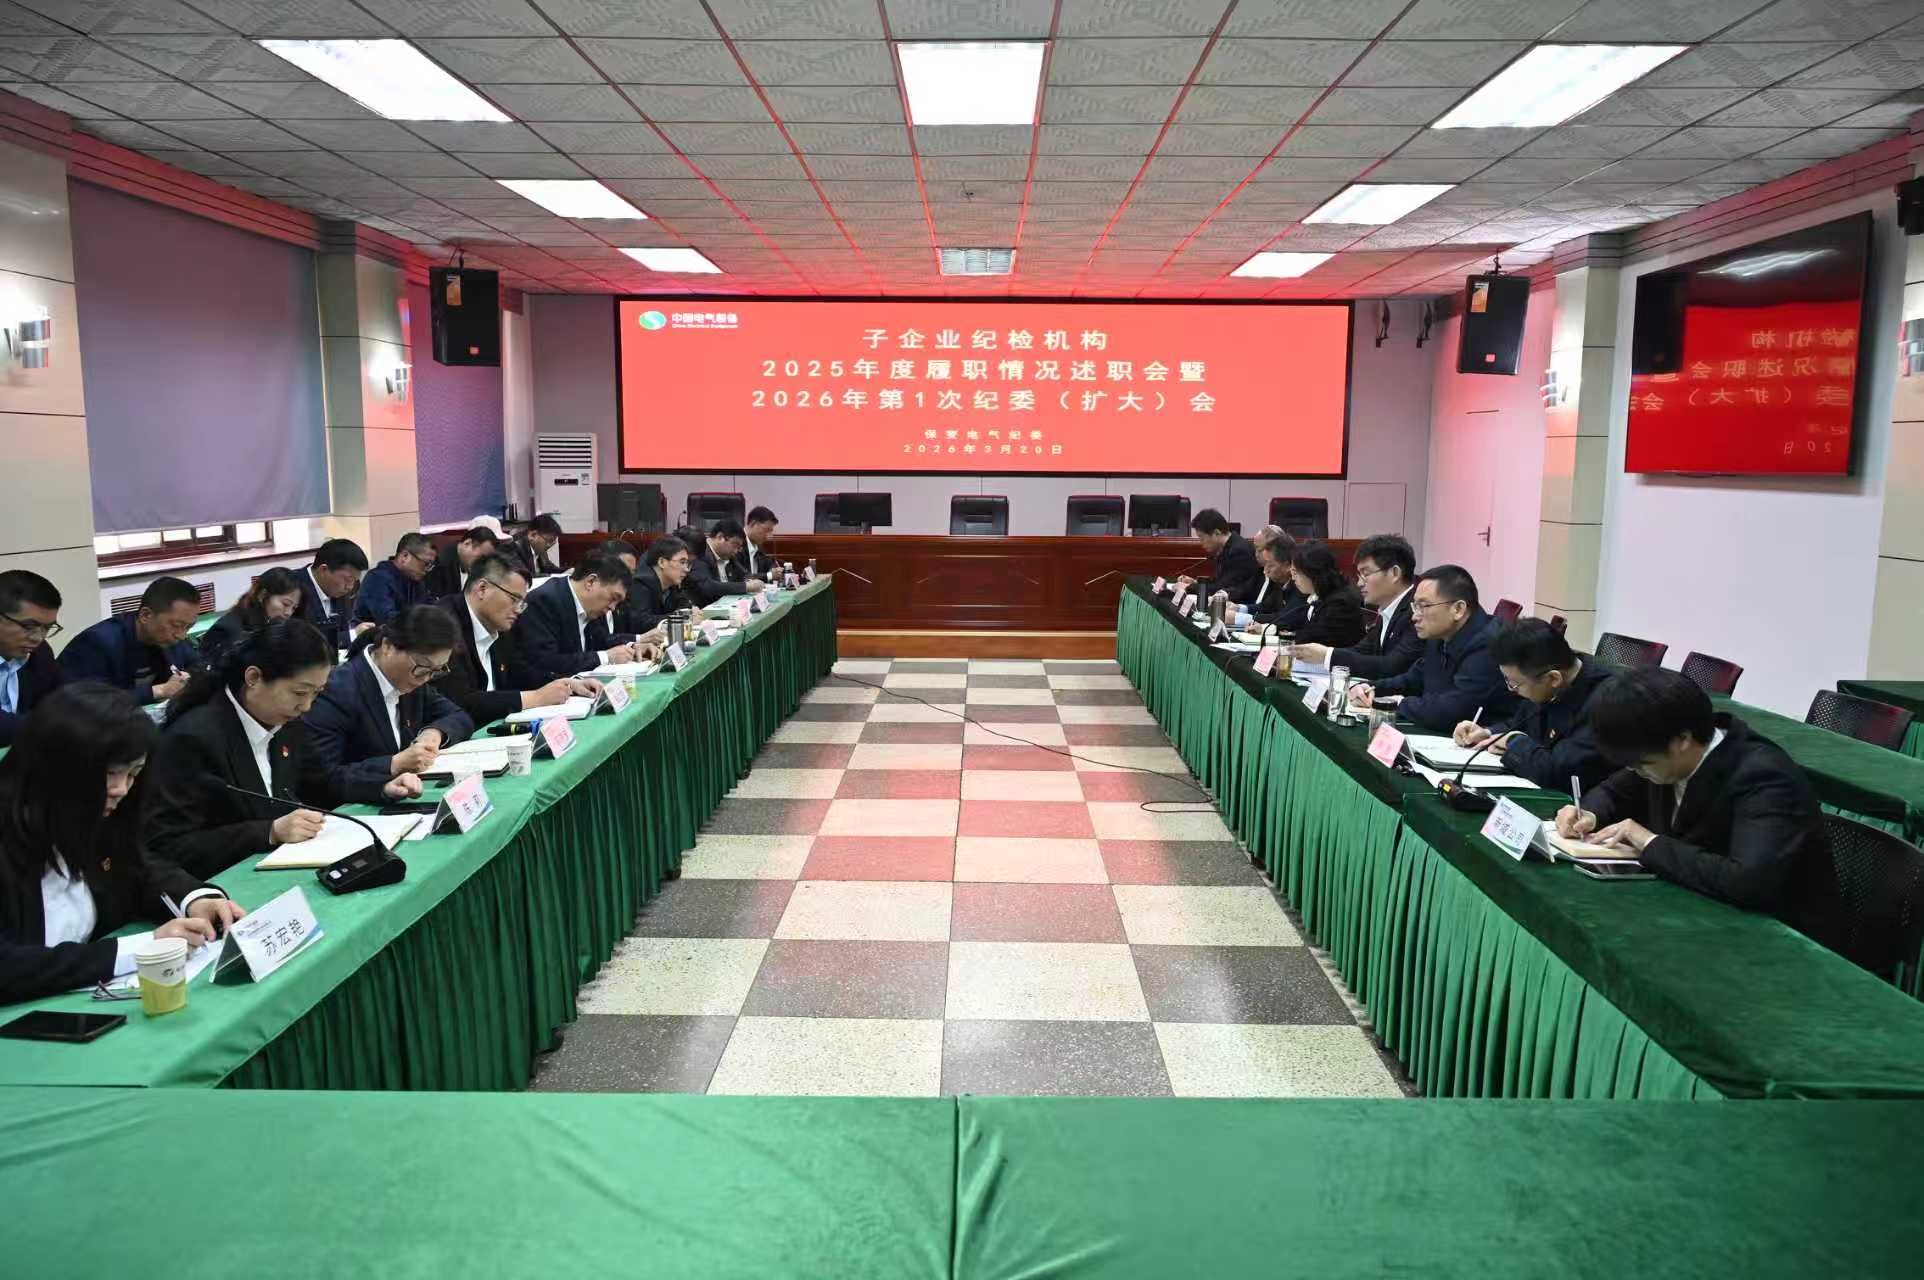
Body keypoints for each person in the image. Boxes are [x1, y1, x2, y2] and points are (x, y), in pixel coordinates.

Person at [0, 683, 245, 1005]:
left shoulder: (93, 817)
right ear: (57, 767)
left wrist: (194, 899)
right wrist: (142, 948)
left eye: (133, 774)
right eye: (110, 774)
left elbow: (138, 870)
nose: (121, 790)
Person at [144, 620, 421, 879]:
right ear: (254, 677)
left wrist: (382, 787)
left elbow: (321, 781)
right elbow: (168, 846)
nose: (307, 706)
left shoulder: (286, 723)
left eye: (316, 693)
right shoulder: (192, 739)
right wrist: (269, 832)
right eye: (299, 693)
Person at [1557, 667, 1826, 915]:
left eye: (1642, 765)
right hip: (1692, 901)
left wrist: (1648, 841)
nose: (1635, 771)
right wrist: (1589, 813)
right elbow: (1613, 791)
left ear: (1683, 740)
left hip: (1771, 926)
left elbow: (1747, 881)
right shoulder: (1660, 754)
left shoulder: (1764, 777)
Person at [303, 605, 473, 791]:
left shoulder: (414, 681)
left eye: (437, 670)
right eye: (423, 668)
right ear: (388, 646)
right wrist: (394, 764)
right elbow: (321, 778)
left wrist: (433, 733)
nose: (425, 678)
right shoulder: (337, 692)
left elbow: (459, 716)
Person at [437, 554, 609, 725]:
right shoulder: (443, 625)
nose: (518, 610)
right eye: (514, 599)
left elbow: (520, 672)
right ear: (482, 589)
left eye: (521, 603)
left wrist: (568, 685)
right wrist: (534, 698)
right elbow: (459, 702)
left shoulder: (500, 625)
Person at [1454, 619, 1615, 793]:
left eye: (1515, 684)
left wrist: (1512, 741)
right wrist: (1487, 733)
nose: (1511, 690)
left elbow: (1559, 772)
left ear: (1553, 678)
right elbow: (1521, 723)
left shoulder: (1606, 703)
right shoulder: (1545, 681)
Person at [1349, 564, 1515, 733]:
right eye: (1415, 606)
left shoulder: (1488, 644)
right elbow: (1414, 679)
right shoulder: (1441, 634)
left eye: (1424, 606)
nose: (1414, 617)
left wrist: (1398, 703)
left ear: (1458, 609)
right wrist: (1370, 688)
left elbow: (1452, 712)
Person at [1295, 533, 1421, 679]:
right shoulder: (1388, 610)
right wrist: (1322, 655)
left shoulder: (1417, 612)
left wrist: (1327, 655)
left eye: (1366, 574)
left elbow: (1392, 666)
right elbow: (1362, 650)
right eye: (1359, 575)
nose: (1360, 583)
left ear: (1394, 573)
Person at [60, 576, 201, 705]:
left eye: (189, 627)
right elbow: (88, 701)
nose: (181, 635)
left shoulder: (171, 639)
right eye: (176, 625)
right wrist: (160, 690)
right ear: (146, 615)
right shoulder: (97, 642)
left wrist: (190, 677)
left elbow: (199, 666)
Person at [515, 553, 640, 680]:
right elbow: (546, 662)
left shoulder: (593, 605)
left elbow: (602, 641)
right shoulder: (545, 601)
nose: (613, 608)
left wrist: (631, 648)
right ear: (591, 582)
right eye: (613, 598)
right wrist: (606, 657)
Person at [0, 569, 66, 748]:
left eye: (47, 628)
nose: (38, 638)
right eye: (29, 626)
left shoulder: (39, 653)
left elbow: (62, 699)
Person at [197, 566, 303, 671]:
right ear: (262, 595)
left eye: (294, 608)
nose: (289, 613)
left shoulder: (270, 624)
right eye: (285, 604)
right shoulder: (230, 629)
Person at [1283, 542, 1365, 647]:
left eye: (1295, 573)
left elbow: (1312, 640)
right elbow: (1297, 624)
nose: (1293, 578)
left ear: (1313, 572)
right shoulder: (1321, 594)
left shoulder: (1340, 604)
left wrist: (1280, 640)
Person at [1177, 508, 1260, 605]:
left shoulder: (1239, 551)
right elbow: (1220, 581)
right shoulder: (1226, 547)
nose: (1201, 543)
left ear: (1216, 533)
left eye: (1202, 537)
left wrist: (1189, 587)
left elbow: (1222, 588)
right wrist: (1195, 583)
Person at [354, 532, 438, 626]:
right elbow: (388, 620)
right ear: (405, 556)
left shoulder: (415, 580)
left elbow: (430, 609)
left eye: (431, 566)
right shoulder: (377, 578)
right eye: (426, 564)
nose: (427, 570)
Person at [297, 538, 368, 648]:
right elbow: (303, 641)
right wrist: (352, 635)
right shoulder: (294, 588)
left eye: (355, 580)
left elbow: (342, 629)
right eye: (348, 579)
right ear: (323, 570)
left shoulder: (339, 591)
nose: (350, 587)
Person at [688, 519, 765, 605]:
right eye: (735, 545)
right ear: (720, 537)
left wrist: (753, 582)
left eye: (739, 547)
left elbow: (744, 575)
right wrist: (746, 586)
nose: (736, 551)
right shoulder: (701, 552)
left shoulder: (728, 556)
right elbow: (708, 586)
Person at [629, 536, 695, 634]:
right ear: (662, 562)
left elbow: (685, 606)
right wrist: (683, 617)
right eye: (682, 562)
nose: (686, 569)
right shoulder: (641, 584)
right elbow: (642, 622)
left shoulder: (672, 583)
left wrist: (689, 613)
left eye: (687, 563)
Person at [1243, 533, 1307, 631]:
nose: (1265, 571)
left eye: (1270, 565)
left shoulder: (1301, 585)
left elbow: (1286, 618)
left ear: (1287, 566)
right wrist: (1238, 608)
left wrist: (1243, 618)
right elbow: (1265, 607)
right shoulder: (1280, 582)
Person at [423, 526, 502, 599]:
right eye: (481, 557)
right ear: (467, 543)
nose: (482, 563)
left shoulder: (465, 564)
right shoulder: (440, 565)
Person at [509, 514, 563, 580]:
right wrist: (551, 576)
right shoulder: (514, 548)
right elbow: (524, 577)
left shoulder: (539, 548)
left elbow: (549, 568)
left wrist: (568, 571)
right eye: (549, 540)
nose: (549, 545)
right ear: (533, 535)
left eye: (553, 542)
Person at [738, 506, 780, 579]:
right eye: (766, 530)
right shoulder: (736, 545)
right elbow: (741, 576)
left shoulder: (758, 547)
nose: (768, 536)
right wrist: (769, 575)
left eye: (770, 531)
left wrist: (776, 570)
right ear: (753, 524)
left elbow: (770, 565)